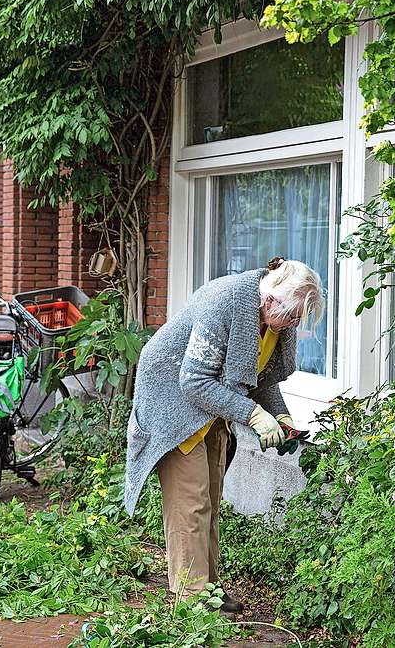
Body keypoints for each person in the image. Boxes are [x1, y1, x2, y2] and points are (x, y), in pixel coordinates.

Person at [123, 257, 325, 611]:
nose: (295, 324)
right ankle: (192, 602)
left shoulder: (274, 321)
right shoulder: (226, 302)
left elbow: (260, 378)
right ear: (271, 300)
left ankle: (209, 591)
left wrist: (280, 415)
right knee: (192, 502)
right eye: (293, 316)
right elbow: (194, 380)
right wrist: (252, 414)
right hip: (174, 406)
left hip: (212, 409)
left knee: (212, 499)